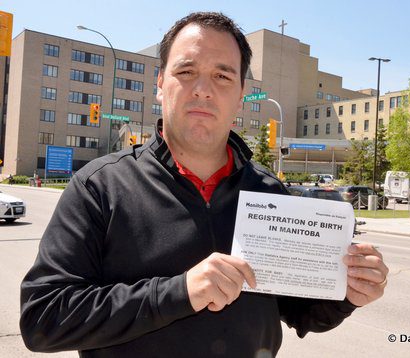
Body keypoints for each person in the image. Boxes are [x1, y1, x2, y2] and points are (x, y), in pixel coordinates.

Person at [20, 12, 388, 357]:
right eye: (187, 70)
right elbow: (43, 319)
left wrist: (348, 292)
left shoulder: (269, 193)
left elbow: (301, 313)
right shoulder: (99, 187)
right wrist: (178, 292)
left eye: (222, 76)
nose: (203, 89)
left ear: (241, 94)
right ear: (161, 84)